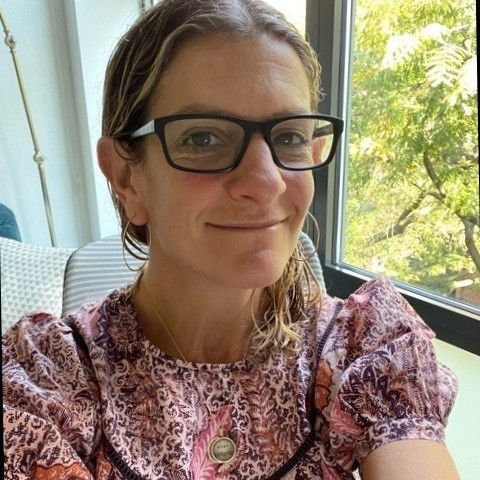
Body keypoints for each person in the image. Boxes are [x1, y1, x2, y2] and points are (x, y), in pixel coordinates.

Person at [2, 0, 460, 479]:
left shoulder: (366, 348)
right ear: (126, 178)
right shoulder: (48, 380)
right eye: (203, 138)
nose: (266, 182)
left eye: (290, 137)